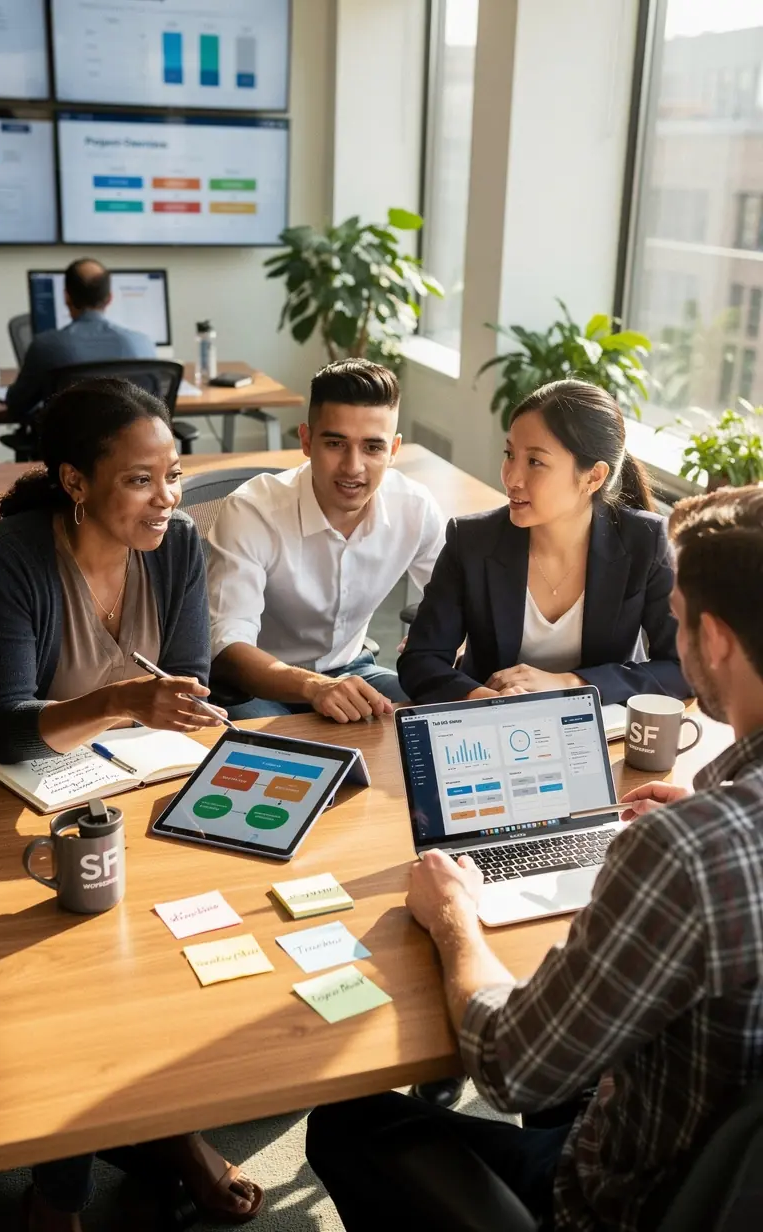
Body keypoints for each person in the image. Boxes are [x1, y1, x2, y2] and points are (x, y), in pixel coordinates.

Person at [307, 484, 763, 1232]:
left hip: (617, 1206)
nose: (672, 638)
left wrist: (456, 918)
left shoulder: (684, 854)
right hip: (728, 1186)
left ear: (714, 641)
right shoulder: (706, 837)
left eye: (676, 623)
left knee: (346, 1122)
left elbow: (511, 1065)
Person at [0, 379, 264, 1230]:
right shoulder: (5, 558)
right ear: (76, 482)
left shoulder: (181, 545)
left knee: (192, 934)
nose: (167, 498)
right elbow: (6, 732)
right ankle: (64, 1188)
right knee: (76, 979)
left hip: (130, 778)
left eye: (174, 474)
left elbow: (188, 681)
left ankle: (166, 1125)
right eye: (138, 480)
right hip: (7, 802)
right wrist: (122, 704)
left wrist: (172, 716)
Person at [398, 379, 689, 706]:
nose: (511, 478)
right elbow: (420, 660)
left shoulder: (647, 543)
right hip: (495, 730)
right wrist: (492, 701)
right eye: (509, 454)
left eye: (535, 462)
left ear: (593, 477)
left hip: (603, 735)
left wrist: (569, 683)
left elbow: (683, 669)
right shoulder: (471, 541)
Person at [207, 358, 446, 721]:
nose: (353, 467)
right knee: (285, 757)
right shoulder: (251, 511)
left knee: (432, 718)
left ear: (394, 451)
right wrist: (312, 686)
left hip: (352, 671)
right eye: (336, 443)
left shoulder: (414, 507)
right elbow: (228, 645)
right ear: (306, 440)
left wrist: (442, 638)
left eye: (372, 448)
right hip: (254, 686)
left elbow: (461, 603)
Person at [5, 258, 155, 424]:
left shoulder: (45, 346)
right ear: (109, 298)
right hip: (129, 448)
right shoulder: (143, 344)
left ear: (66, 296)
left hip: (69, 448)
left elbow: (17, 406)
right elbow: (153, 408)